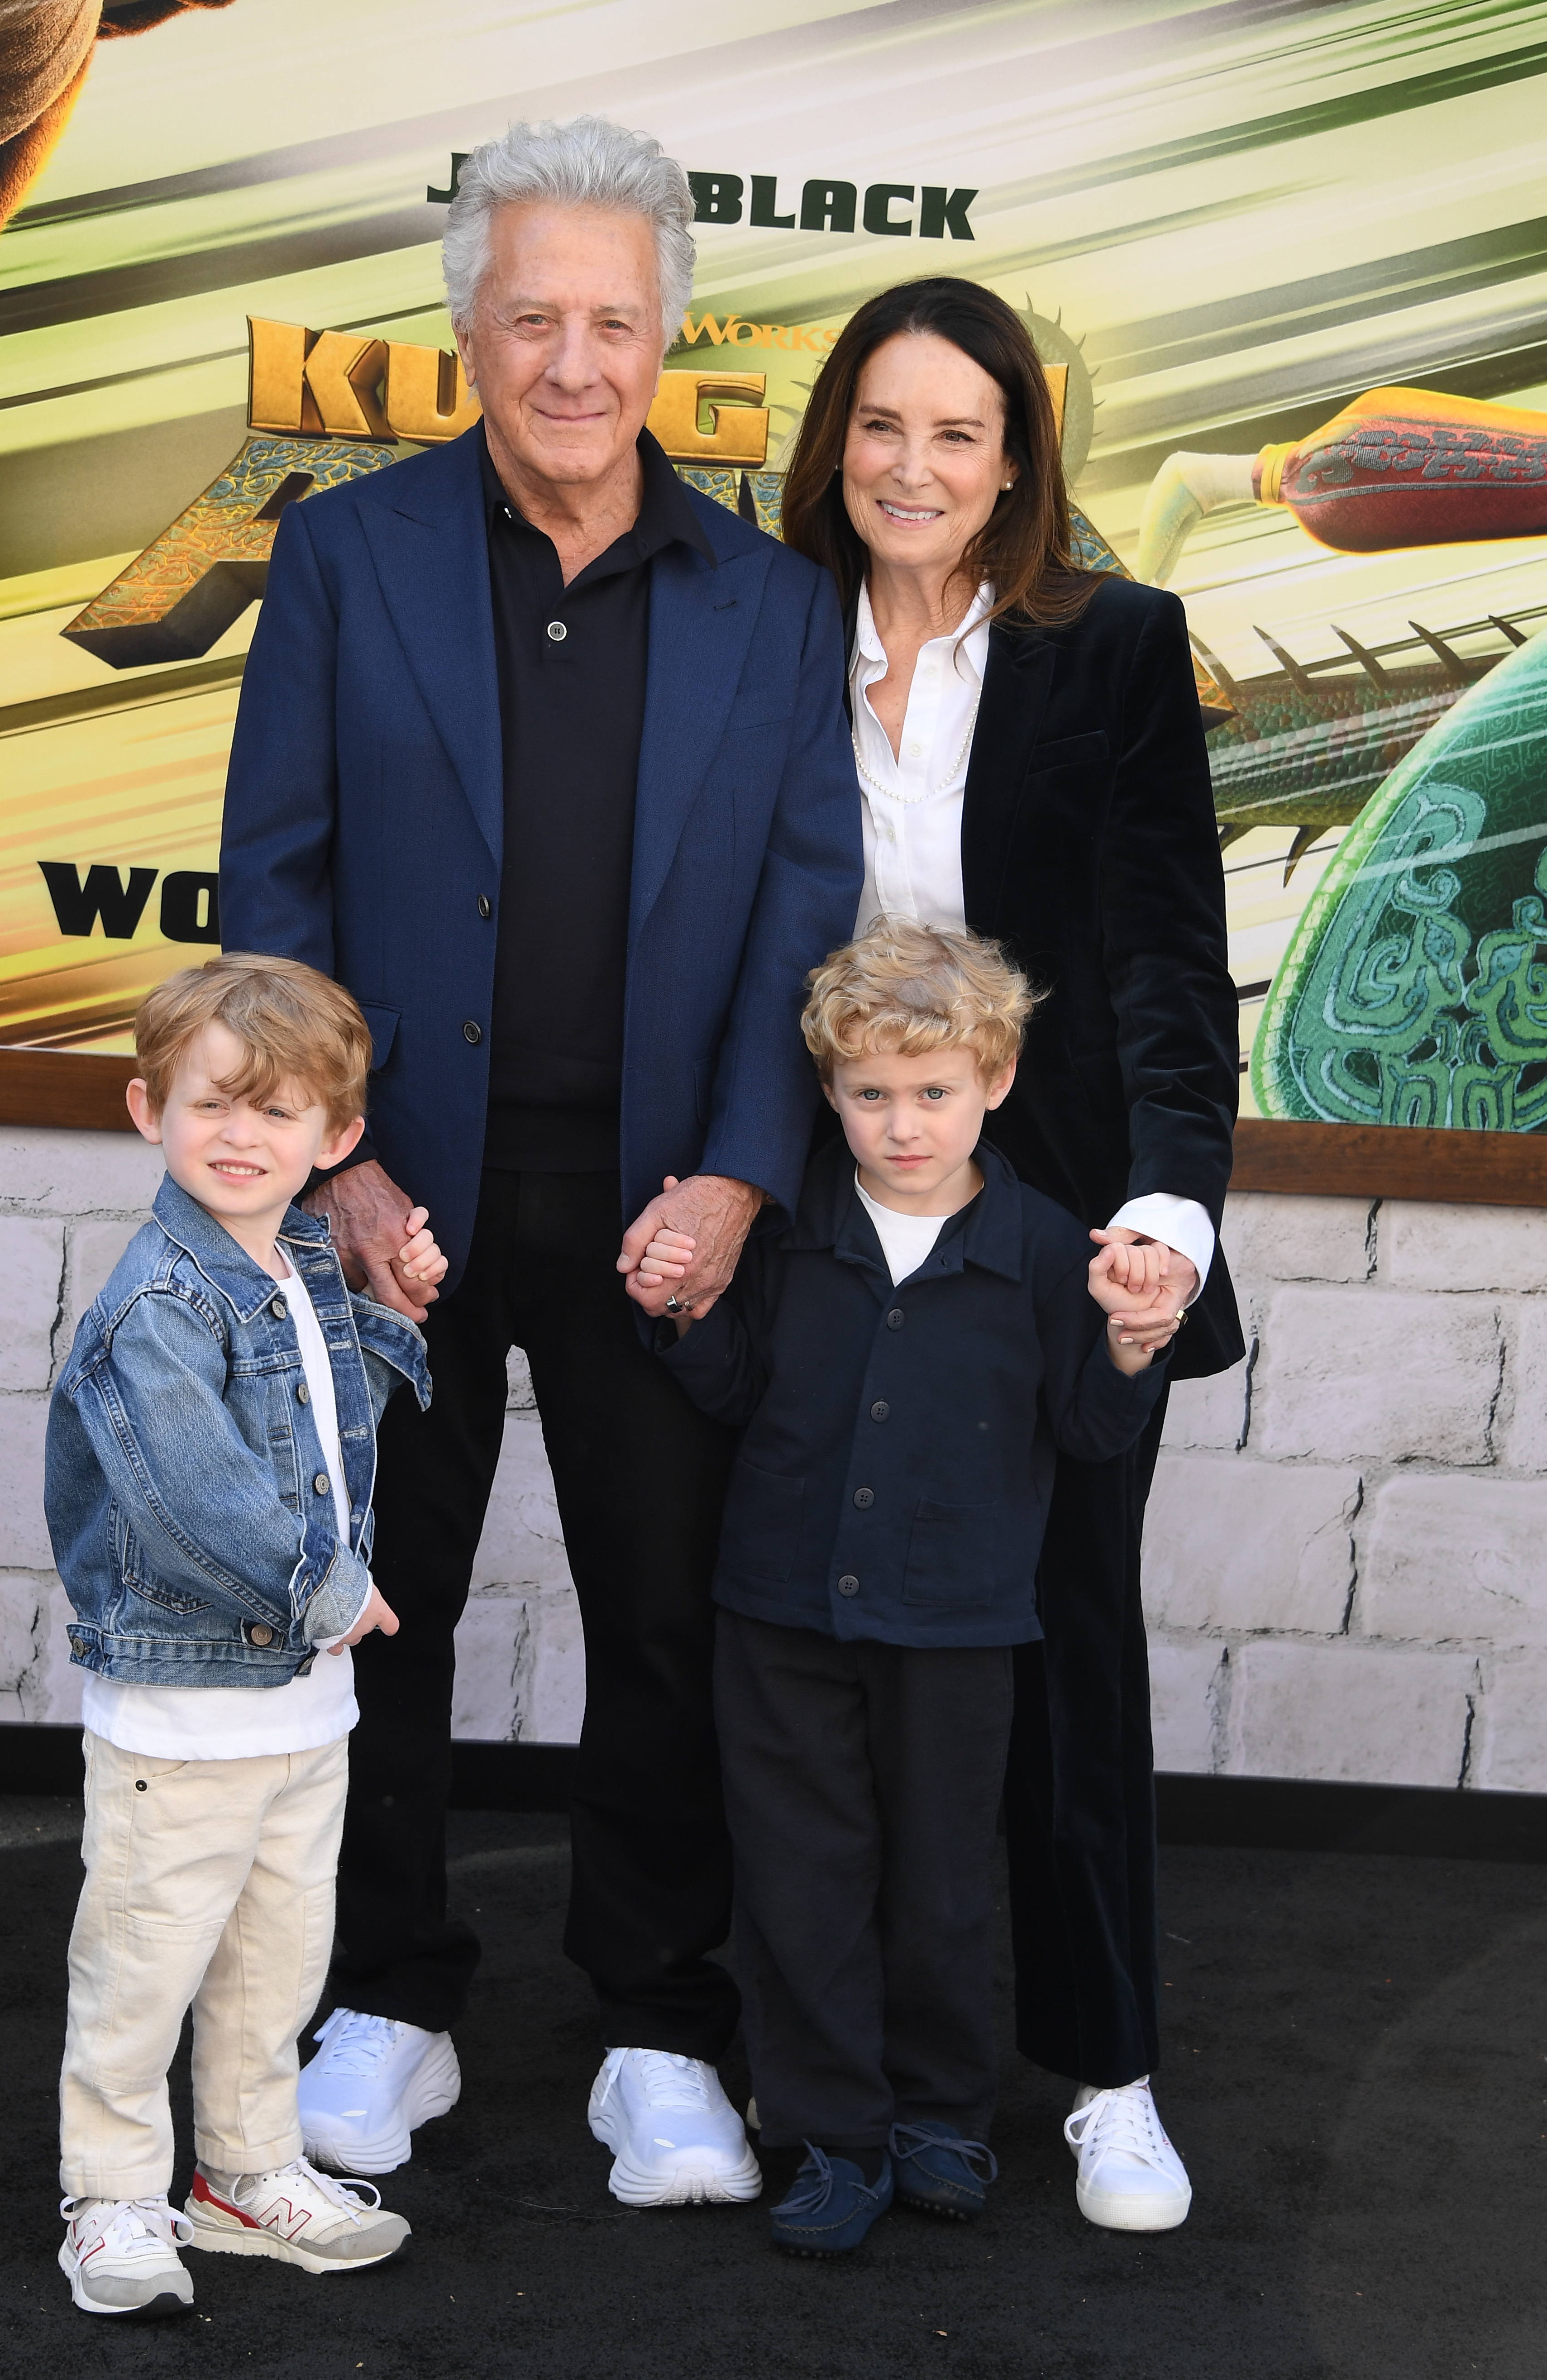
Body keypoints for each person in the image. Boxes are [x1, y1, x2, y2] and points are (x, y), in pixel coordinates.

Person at [218, 116, 862, 2202]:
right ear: (468, 334)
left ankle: (661, 2026)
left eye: (609, 318)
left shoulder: (776, 607)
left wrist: (746, 1181)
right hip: (400, 1195)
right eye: (530, 319)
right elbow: (278, 886)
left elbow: (805, 924)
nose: (571, 361)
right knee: (374, 1606)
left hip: (664, 1199)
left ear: (669, 332)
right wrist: (341, 1169)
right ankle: (383, 2001)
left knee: (664, 1615)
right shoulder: (346, 557)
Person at [778, 278, 1246, 2231]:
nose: (914, 466)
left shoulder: (1116, 647)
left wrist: (1162, 1213)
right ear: (833, 443)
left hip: (1050, 1235)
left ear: (1017, 457)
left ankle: (1106, 2071)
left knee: (1060, 1652)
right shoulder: (753, 630)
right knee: (805, 1654)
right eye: (882, 426)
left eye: (957, 432)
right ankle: (821, 2065)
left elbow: (1160, 956)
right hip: (809, 1221)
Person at [634, 920, 1182, 2256]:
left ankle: (944, 2113)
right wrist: (680, 1312)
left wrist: (1129, 1346)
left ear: (994, 1081)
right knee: (802, 1875)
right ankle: (830, 2130)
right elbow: (734, 1394)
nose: (903, 1122)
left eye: (934, 1091)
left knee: (940, 1878)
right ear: (828, 1092)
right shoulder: (787, 1226)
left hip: (959, 1623)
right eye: (872, 1093)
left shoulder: (1053, 1247)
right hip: (780, 1613)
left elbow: (1096, 1438)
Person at [43, 953, 439, 2317]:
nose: (240, 1136)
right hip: (182, 1714)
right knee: (143, 1967)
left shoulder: (309, 1264)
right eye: (214, 1104)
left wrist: (389, 1323)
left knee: (275, 1965)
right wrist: (329, 1589)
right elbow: (193, 1496)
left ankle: (245, 2169)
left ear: (336, 1141)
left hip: (301, 1715)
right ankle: (112, 2191)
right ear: (149, 1109)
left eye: (278, 1115)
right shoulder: (158, 1301)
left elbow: (325, 1441)